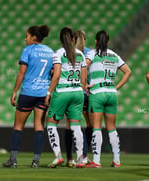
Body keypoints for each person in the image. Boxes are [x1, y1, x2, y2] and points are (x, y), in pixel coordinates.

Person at [2, 25, 54, 168]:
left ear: (34, 37)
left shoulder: (27, 50)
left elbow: (21, 72)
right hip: (43, 94)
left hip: (28, 93)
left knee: (18, 126)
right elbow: (53, 73)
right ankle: (36, 161)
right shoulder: (50, 52)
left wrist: (14, 91)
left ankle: (13, 160)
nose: (25, 39)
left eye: (27, 36)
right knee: (39, 126)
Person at [84, 30, 131, 168]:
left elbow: (83, 66)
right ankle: (116, 160)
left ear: (95, 41)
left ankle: (96, 161)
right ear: (108, 42)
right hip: (111, 92)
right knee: (112, 128)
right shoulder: (114, 55)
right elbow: (128, 72)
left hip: (97, 92)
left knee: (96, 127)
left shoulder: (92, 53)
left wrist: (84, 84)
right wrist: (116, 87)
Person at [45, 26, 87, 168]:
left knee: (51, 124)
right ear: (74, 39)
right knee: (76, 127)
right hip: (77, 93)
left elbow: (56, 75)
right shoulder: (80, 54)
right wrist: (80, 89)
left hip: (62, 92)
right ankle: (80, 159)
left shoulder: (58, 54)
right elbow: (84, 77)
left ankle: (58, 156)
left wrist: (49, 92)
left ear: (61, 40)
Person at [63, 30, 92, 167]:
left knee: (71, 125)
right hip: (86, 93)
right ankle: (84, 155)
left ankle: (70, 158)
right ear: (85, 39)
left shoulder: (69, 52)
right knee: (89, 125)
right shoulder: (89, 53)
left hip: (72, 91)